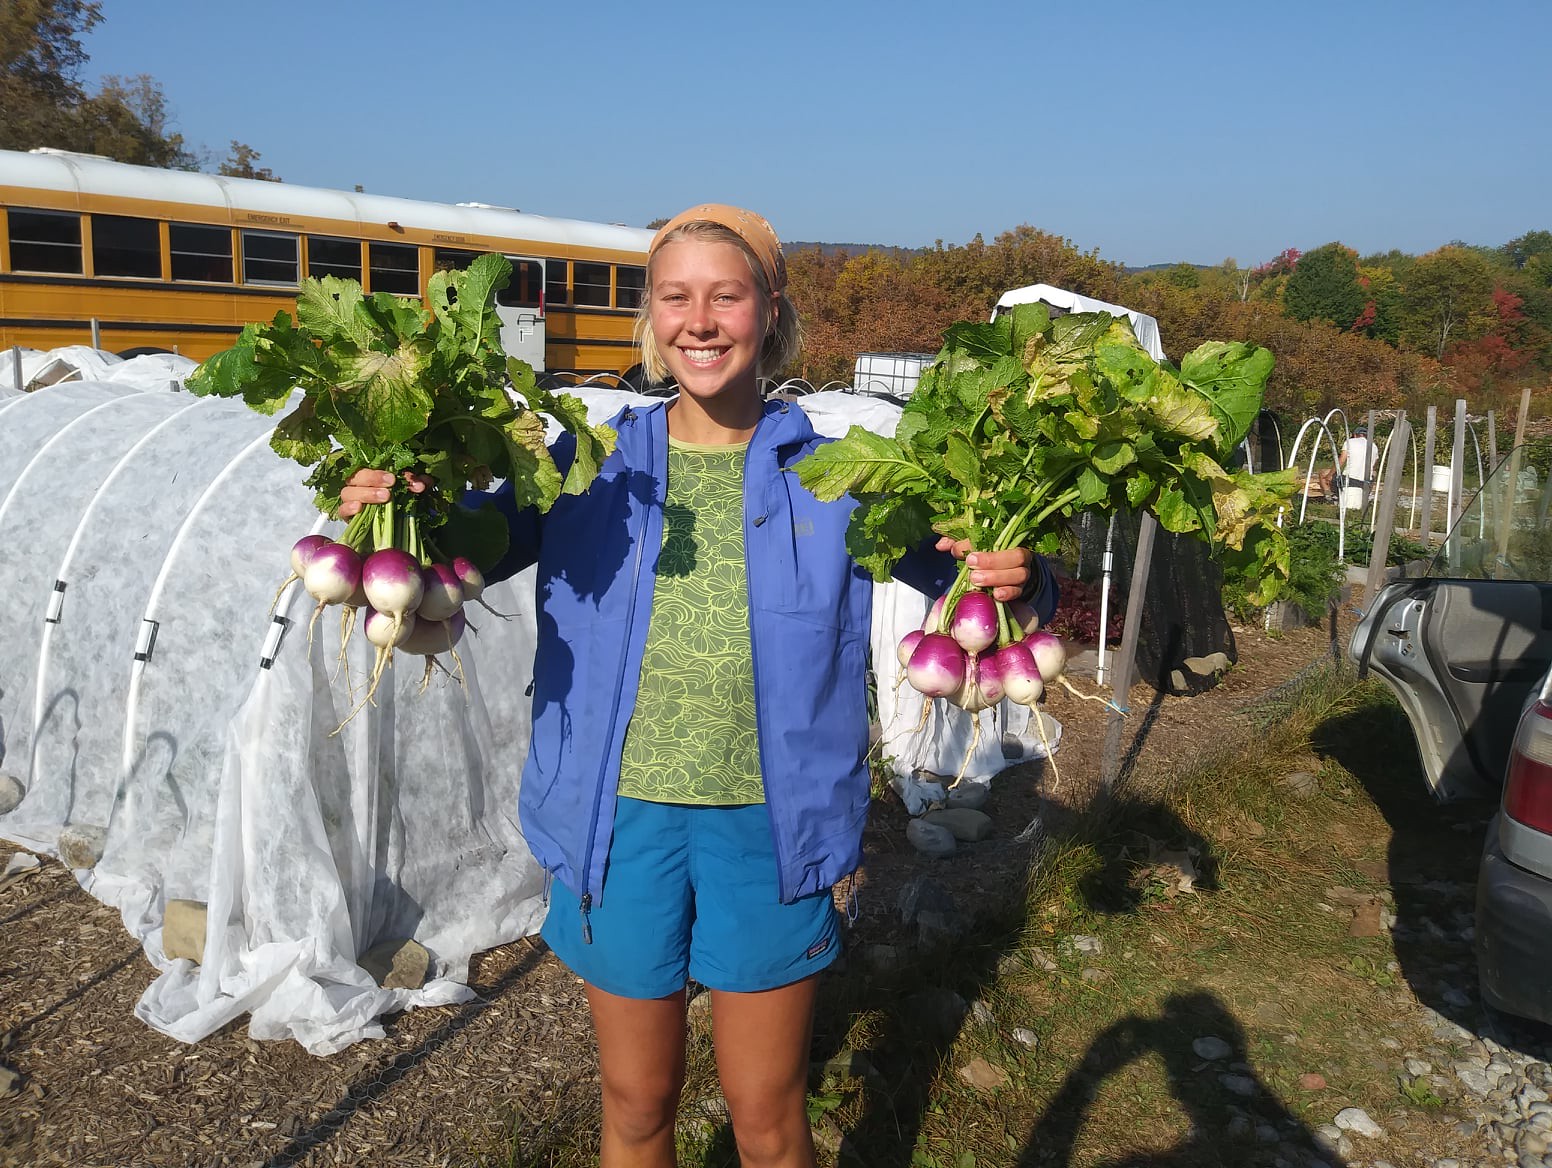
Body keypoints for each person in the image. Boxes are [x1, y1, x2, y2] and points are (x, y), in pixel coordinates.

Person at [340, 205, 1056, 1168]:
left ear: (770, 314)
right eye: (677, 298)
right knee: (638, 1103)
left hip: (772, 827)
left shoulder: (839, 474)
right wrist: (398, 507)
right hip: (616, 821)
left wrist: (1025, 575)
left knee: (767, 1116)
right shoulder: (585, 465)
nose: (702, 320)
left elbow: (966, 571)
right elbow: (463, 555)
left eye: (727, 296)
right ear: (650, 318)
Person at [1338, 426, 1377, 493]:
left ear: (1355, 435)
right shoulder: (1374, 446)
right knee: (1374, 473)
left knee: (1324, 474)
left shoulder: (1349, 442)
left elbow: (1341, 461)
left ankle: (1331, 496)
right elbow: (1373, 465)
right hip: (1366, 482)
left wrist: (1330, 475)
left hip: (1350, 480)